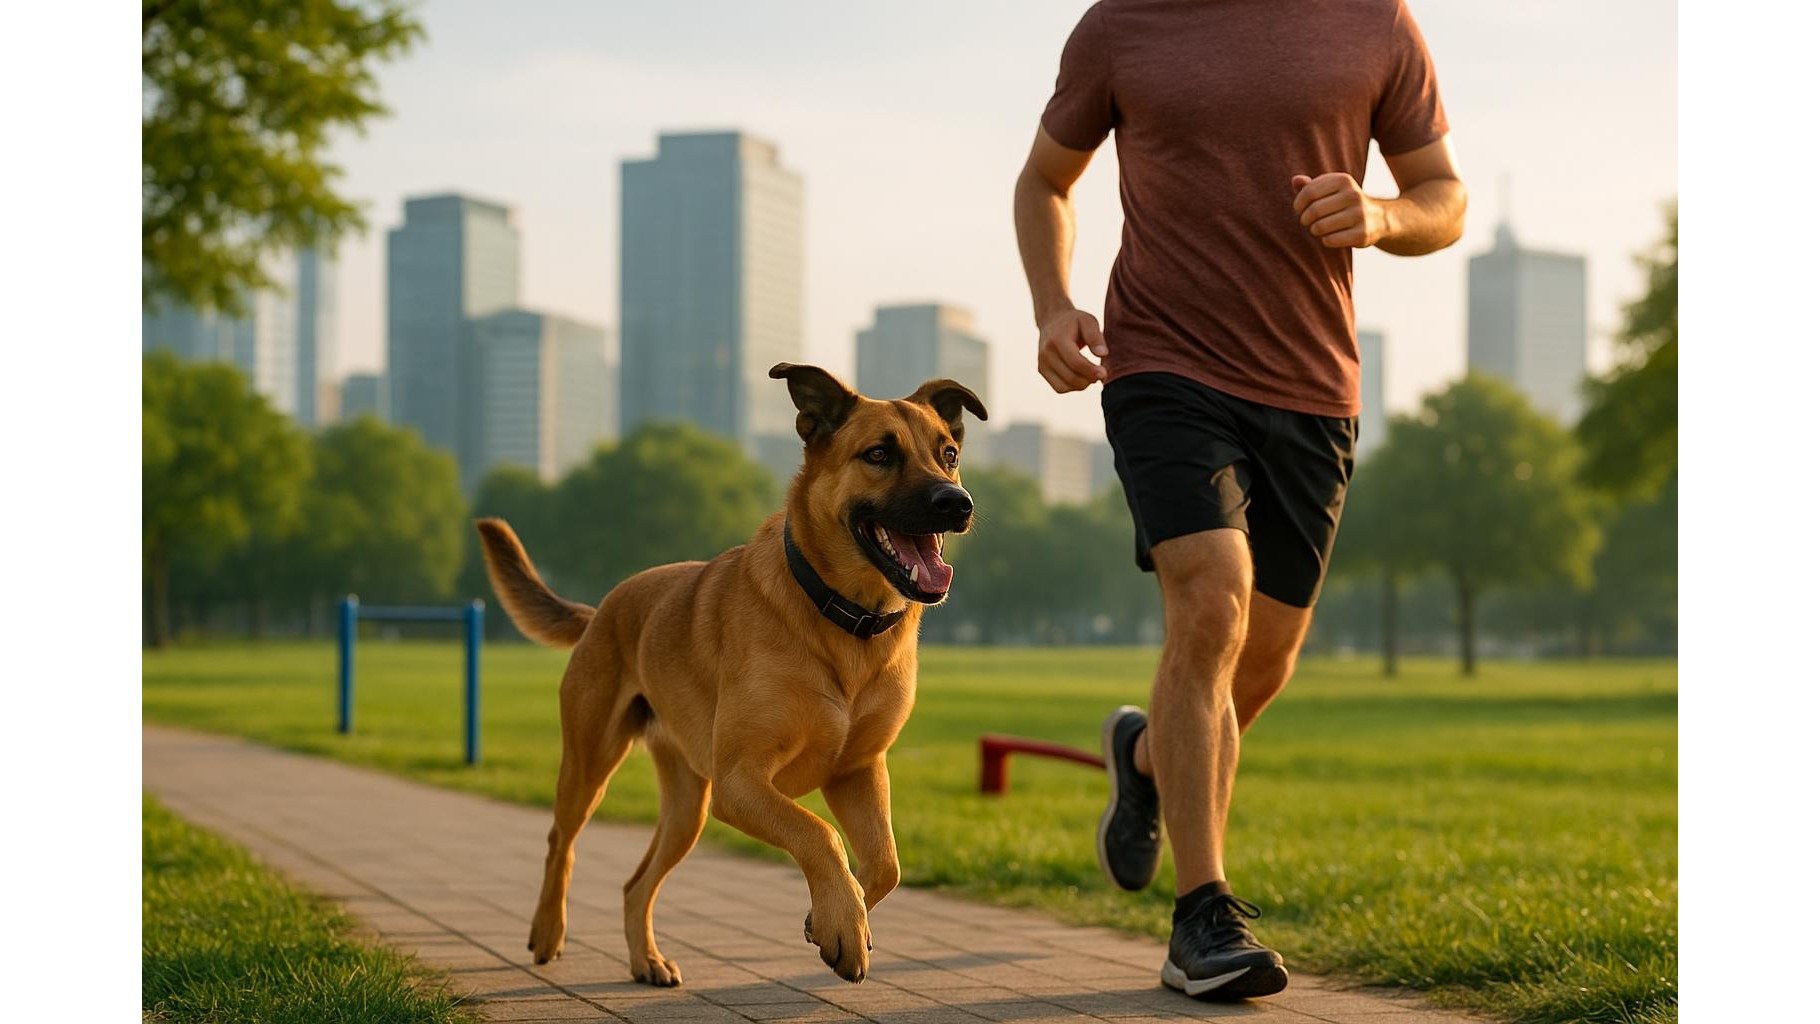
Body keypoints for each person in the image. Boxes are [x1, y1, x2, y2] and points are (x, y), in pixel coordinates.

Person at [1012, 0, 1467, 1001]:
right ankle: (1201, 915)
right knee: (1210, 597)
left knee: (1257, 664)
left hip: (1310, 387)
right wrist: (1052, 304)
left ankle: (1140, 756)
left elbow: (1442, 195)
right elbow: (1045, 180)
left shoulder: (1374, 21)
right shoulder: (1121, 25)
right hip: (1162, 368)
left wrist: (1384, 215)